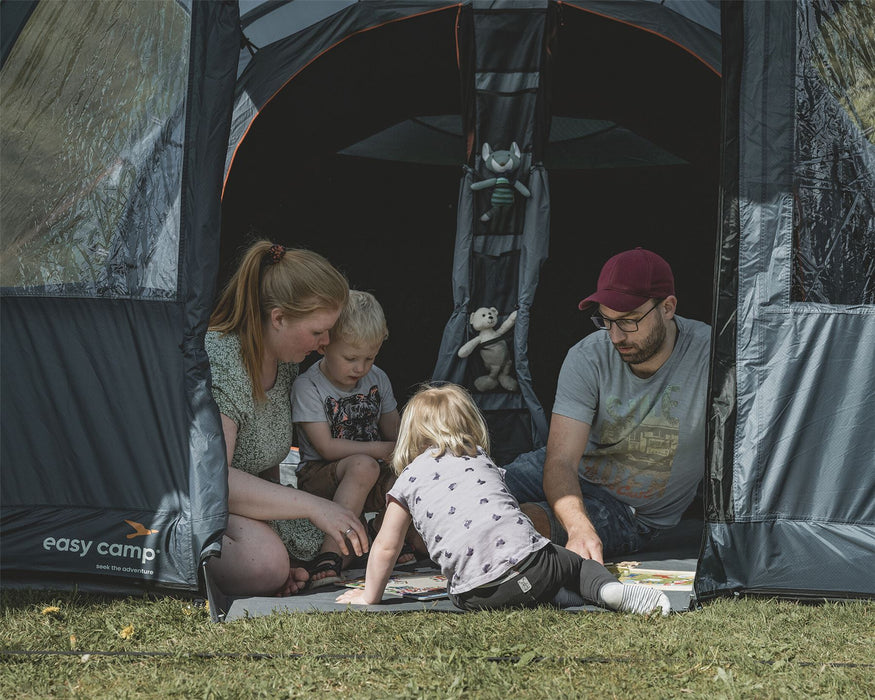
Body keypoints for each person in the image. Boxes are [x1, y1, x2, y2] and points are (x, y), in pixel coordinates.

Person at [335, 383, 669, 615]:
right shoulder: (480, 458)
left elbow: (387, 547)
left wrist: (369, 596)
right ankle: (606, 591)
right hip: (534, 568)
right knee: (572, 563)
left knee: (518, 581)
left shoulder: (407, 480)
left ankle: (557, 594)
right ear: (469, 424)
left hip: (473, 595)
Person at [504, 247, 710, 564]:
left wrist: (578, 531)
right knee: (461, 497)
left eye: (628, 321)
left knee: (518, 525)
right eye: (606, 321)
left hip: (628, 510)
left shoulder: (713, 356)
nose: (615, 336)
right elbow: (559, 461)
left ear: (668, 308)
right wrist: (578, 528)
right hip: (568, 469)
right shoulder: (587, 356)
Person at [205, 240, 368, 597]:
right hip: (196, 504)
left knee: (283, 557)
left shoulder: (286, 363)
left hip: (240, 509)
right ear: (278, 318)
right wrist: (313, 506)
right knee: (265, 562)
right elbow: (213, 479)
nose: (326, 343)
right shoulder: (222, 363)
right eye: (317, 332)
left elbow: (264, 462)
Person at [290, 290, 417, 587]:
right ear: (324, 346)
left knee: (405, 469)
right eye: (350, 358)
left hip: (369, 470)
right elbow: (326, 446)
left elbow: (395, 432)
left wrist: (408, 450)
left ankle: (383, 531)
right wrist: (385, 449)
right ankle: (329, 554)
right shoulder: (308, 386)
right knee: (364, 465)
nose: (360, 368)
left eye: (369, 358)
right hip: (321, 476)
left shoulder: (378, 379)